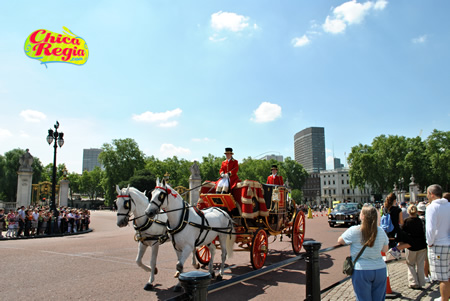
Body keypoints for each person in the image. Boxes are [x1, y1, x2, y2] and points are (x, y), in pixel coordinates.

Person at [338, 204, 389, 301]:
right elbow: (385, 249)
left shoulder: (354, 230)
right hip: (380, 268)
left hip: (362, 269)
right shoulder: (381, 231)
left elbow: (340, 240)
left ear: (363, 216)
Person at [425, 184, 450, 301]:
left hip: (439, 244)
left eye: (427, 193)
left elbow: (430, 228)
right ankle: (445, 297)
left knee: (442, 277)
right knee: (448, 275)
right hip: (448, 241)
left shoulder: (432, 207)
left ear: (432, 194)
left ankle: (444, 299)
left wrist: (429, 242)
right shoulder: (449, 205)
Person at [401, 205, 427, 289]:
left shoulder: (406, 222)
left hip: (410, 246)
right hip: (422, 245)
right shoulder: (421, 221)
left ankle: (413, 282)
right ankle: (421, 282)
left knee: (410, 264)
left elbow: (403, 234)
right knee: (420, 264)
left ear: (408, 212)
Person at [384, 193, 405, 259]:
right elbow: (401, 222)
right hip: (395, 229)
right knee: (403, 241)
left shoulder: (385, 209)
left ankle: (390, 254)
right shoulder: (398, 209)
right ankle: (395, 251)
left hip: (386, 229)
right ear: (395, 200)